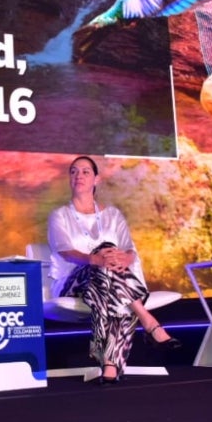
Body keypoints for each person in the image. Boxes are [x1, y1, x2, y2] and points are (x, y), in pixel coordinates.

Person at [46, 156, 179, 384]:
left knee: (109, 267)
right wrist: (95, 259)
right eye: (74, 171)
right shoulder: (60, 216)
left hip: (109, 283)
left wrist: (122, 259)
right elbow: (66, 252)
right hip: (74, 283)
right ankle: (147, 320)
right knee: (106, 255)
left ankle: (109, 365)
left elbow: (129, 251)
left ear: (96, 179)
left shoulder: (113, 215)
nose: (79, 176)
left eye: (86, 172)